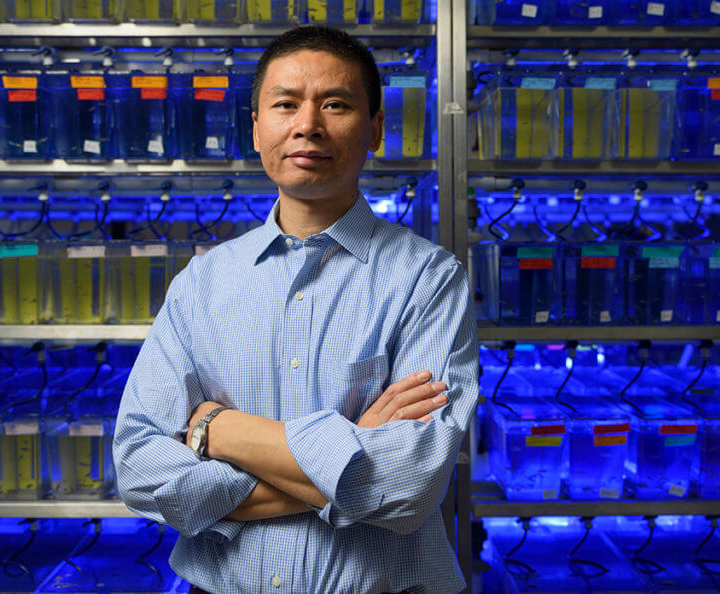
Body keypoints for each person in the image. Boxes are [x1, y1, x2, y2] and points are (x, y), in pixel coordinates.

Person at [114, 25, 478, 594]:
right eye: (286, 104)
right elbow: (140, 468)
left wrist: (218, 430)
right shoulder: (201, 284)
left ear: (375, 128)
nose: (308, 125)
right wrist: (351, 452)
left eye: (336, 104)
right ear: (257, 129)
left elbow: (408, 488)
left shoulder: (427, 278)